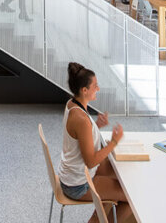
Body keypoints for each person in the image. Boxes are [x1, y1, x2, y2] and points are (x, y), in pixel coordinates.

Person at [57, 62, 132, 222]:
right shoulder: (81, 119)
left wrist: (96, 125)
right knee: (130, 196)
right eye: (95, 86)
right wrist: (113, 142)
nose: (98, 89)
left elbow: (79, 137)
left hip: (72, 174)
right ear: (84, 90)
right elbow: (91, 161)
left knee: (123, 178)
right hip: (77, 185)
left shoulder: (72, 104)